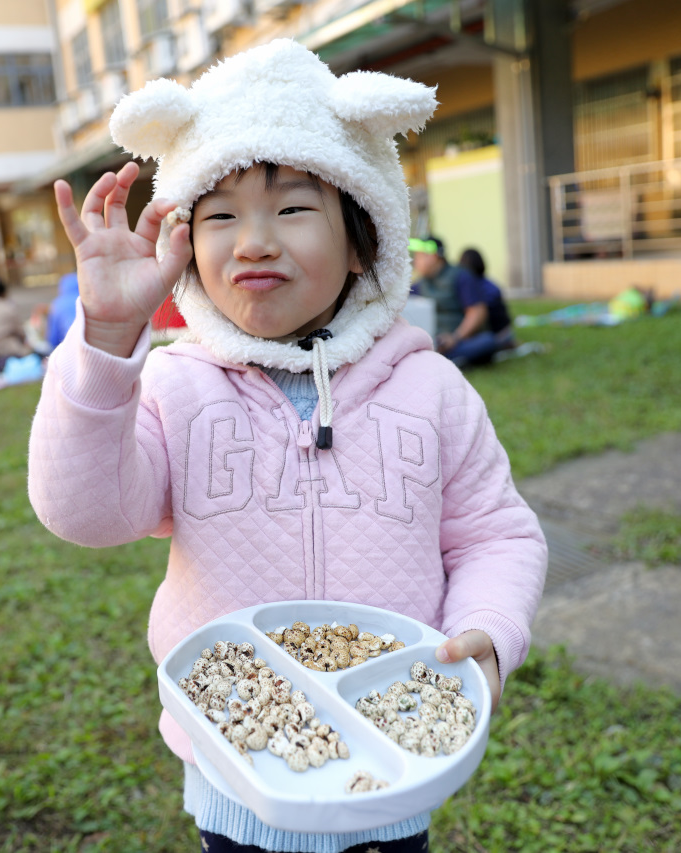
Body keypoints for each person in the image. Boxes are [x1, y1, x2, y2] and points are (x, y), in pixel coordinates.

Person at [28, 41, 546, 852]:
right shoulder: (174, 387)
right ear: (186, 245)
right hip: (239, 773)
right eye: (221, 214)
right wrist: (106, 341)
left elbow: (494, 532)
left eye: (294, 208)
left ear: (362, 236)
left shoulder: (431, 389)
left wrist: (489, 624)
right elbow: (82, 513)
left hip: (394, 760)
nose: (254, 241)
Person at [410, 238, 514, 367]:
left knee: (487, 341)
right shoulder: (420, 284)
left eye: (419, 256)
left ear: (432, 256)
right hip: (434, 341)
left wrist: (454, 338)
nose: (415, 261)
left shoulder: (461, 277)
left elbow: (477, 312)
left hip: (460, 340)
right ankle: (442, 359)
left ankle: (441, 359)